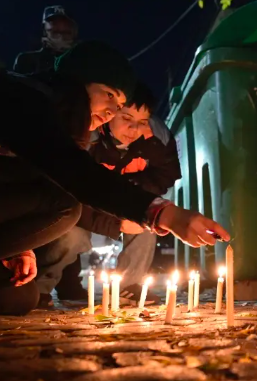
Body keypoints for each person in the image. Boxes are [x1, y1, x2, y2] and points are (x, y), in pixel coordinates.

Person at [0, 41, 229, 316]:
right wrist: (162, 213)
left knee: (17, 299)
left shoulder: (64, 127)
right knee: (64, 206)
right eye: (109, 95)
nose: (111, 111)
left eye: (118, 104)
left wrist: (16, 249)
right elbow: (77, 175)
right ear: (78, 81)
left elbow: (35, 182)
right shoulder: (24, 99)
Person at [36, 82, 181, 306]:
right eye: (126, 119)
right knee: (71, 235)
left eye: (142, 122)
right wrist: (115, 223)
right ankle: (40, 288)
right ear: (110, 113)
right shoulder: (84, 135)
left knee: (148, 218)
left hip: (119, 199)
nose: (134, 129)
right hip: (80, 204)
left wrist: (132, 191)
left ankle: (128, 286)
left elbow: (165, 175)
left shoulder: (157, 139)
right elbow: (66, 193)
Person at [13, 5, 78, 76]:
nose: (60, 33)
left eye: (66, 30)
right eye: (54, 24)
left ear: (74, 31)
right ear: (44, 30)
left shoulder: (83, 62)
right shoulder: (27, 60)